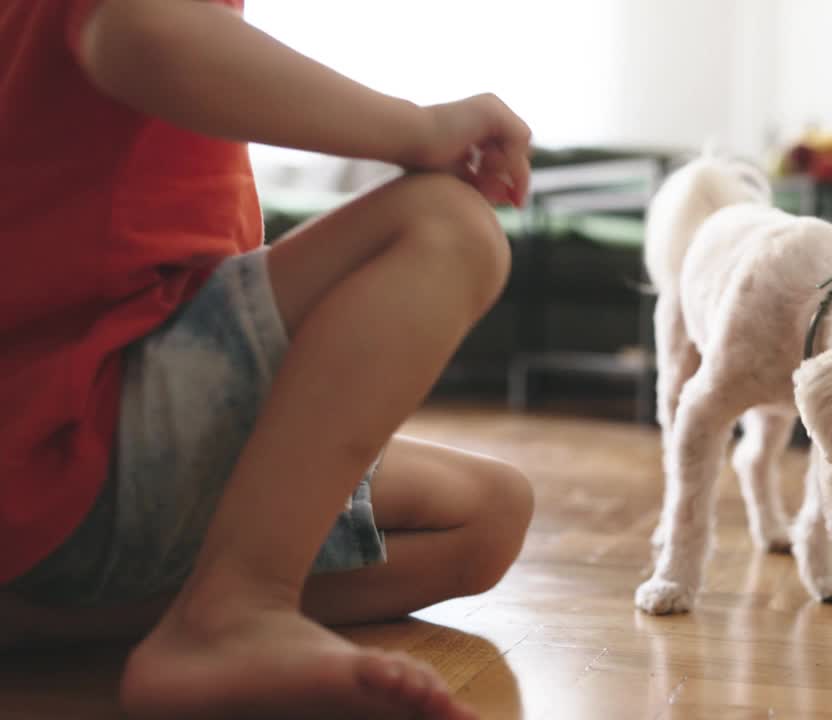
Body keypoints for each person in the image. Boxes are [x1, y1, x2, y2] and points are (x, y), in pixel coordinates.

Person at [0, 1, 536, 718]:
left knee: (492, 516)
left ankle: (43, 618)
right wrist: (416, 127)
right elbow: (141, 33)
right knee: (446, 226)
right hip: (60, 426)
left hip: (75, 453)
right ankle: (235, 611)